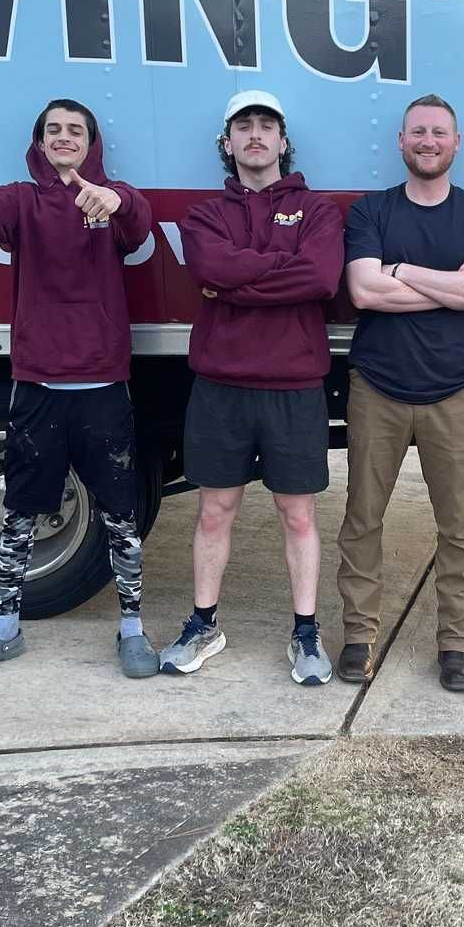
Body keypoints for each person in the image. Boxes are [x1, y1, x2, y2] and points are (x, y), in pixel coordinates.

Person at [0, 99, 157, 677]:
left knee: (118, 511)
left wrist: (115, 202)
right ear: (40, 141)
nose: (64, 137)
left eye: (76, 130)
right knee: (19, 510)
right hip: (37, 381)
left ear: (92, 143)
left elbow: (138, 224)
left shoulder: (112, 196)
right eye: (54, 130)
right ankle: (3, 629)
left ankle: (132, 629)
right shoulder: (22, 198)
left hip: (103, 381)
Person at [161, 91, 345, 686]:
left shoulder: (316, 210)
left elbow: (320, 276)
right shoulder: (205, 215)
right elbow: (210, 270)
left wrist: (241, 282)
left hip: (294, 385)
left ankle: (307, 633)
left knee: (297, 514)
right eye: (244, 127)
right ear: (228, 142)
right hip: (221, 386)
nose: (256, 135)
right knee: (215, 510)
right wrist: (273, 273)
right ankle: (204, 624)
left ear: (284, 142)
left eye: (267, 126)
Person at [337, 94, 464, 693]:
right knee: (362, 519)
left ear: (456, 143)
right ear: (401, 143)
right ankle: (359, 638)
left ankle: (455, 646)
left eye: (439, 133)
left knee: (458, 528)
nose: (428, 141)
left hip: (454, 391)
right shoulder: (370, 210)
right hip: (376, 387)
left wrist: (402, 270)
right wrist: (452, 281)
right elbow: (363, 293)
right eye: (417, 132)